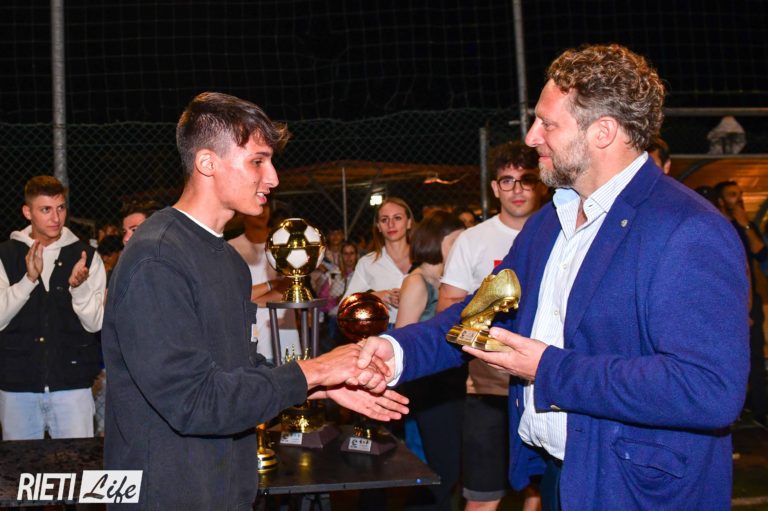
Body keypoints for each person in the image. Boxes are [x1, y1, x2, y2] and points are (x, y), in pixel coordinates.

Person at [357, 44, 749, 510]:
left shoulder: (688, 228)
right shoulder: (548, 223)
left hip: (638, 491)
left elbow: (709, 389)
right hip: (561, 475)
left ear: (603, 132)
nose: (531, 137)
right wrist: (397, 351)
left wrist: (548, 369)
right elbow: (478, 316)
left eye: (547, 123)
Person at [102, 92, 408, 510]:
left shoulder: (230, 261)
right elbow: (194, 402)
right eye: (258, 161)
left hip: (226, 490)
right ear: (207, 163)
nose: (274, 178)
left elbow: (237, 368)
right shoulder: (156, 259)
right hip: (168, 494)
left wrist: (322, 386)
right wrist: (314, 370)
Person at [437, 140, 546, 511]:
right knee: (483, 497)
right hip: (489, 389)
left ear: (540, 184)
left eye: (526, 179)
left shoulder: (561, 234)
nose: (517, 189)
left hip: (546, 384)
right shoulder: (473, 240)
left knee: (543, 494)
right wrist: (487, 341)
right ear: (495, 188)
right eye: (508, 180)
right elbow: (448, 308)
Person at [0, 175, 106, 440]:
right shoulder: (6, 255)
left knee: (77, 464)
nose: (56, 218)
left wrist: (79, 288)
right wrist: (28, 280)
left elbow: (95, 323)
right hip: (17, 388)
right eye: (45, 209)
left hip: (73, 386)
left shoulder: (86, 256)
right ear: (28, 212)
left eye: (60, 208)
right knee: (21, 466)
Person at [396, 210, 465, 511]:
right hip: (427, 389)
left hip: (449, 384)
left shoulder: (447, 281)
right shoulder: (417, 281)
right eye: (457, 241)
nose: (464, 247)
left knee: (447, 469)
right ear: (440, 241)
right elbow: (404, 337)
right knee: (436, 471)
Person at [714, 180, 767, 427]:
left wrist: (745, 223)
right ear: (721, 200)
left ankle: (759, 409)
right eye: (732, 195)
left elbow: (760, 253)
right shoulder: (715, 224)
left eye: (740, 194)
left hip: (750, 300)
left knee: (755, 354)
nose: (738, 199)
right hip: (725, 303)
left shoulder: (745, 226)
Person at [228, 203, 292, 363]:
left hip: (286, 334)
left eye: (266, 205)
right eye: (256, 203)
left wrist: (248, 300)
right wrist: (272, 284)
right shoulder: (230, 248)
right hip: (252, 340)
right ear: (241, 213)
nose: (262, 211)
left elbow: (289, 293)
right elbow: (232, 295)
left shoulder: (285, 244)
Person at [343, 197, 414, 325]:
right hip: (384, 329)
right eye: (384, 219)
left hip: (423, 326)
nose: (391, 224)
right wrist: (377, 296)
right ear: (378, 226)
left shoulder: (426, 258)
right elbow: (345, 306)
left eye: (397, 218)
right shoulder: (367, 263)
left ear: (409, 223)